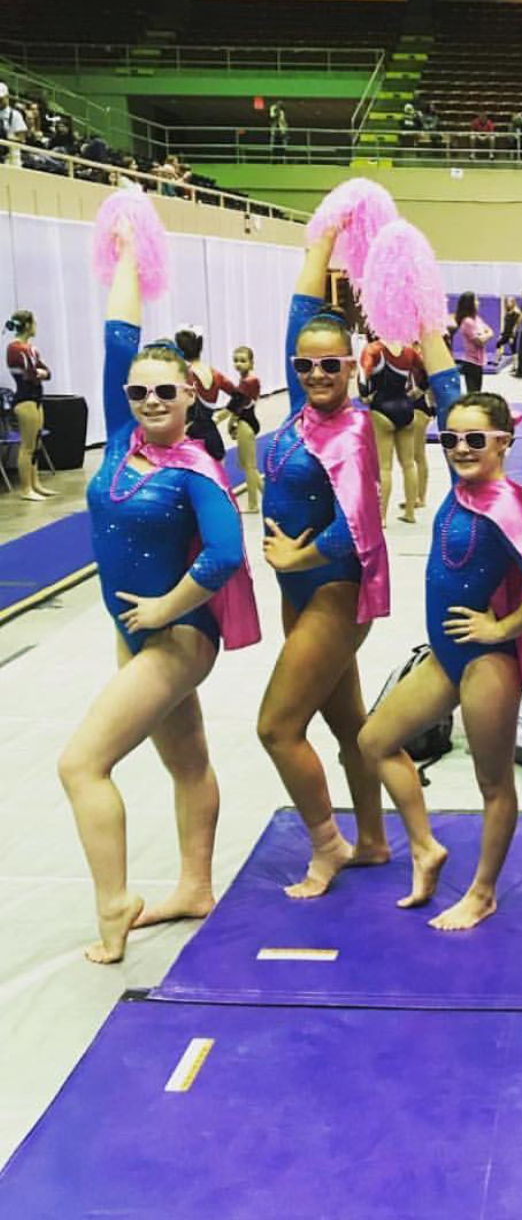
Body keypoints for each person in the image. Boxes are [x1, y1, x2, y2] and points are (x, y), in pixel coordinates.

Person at [58, 221, 256, 963]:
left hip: (177, 637)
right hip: (135, 629)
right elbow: (118, 337)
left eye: (162, 390)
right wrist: (131, 252)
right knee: (186, 760)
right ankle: (195, 887)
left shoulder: (196, 467)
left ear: (190, 393)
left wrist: (166, 608)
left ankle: (114, 906)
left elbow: (229, 555)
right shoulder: (120, 441)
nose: (146, 399)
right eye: (137, 390)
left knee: (81, 763)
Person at [358, 320, 522, 929]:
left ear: (504, 442)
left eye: (475, 440)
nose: (460, 449)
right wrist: (422, 320)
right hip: (445, 655)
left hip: (487, 664)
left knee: (493, 786)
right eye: (451, 440)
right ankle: (425, 846)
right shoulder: (462, 488)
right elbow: (442, 381)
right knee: (374, 743)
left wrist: (500, 631)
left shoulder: (506, 506)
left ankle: (483, 891)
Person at [255, 225, 392, 898]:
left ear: (352, 365)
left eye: (329, 365)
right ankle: (373, 837)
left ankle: (327, 844)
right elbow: (300, 322)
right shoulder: (306, 409)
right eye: (304, 365)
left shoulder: (352, 430)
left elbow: (359, 528)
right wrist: (322, 242)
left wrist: (299, 551)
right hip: (300, 593)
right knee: (346, 724)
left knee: (277, 728)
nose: (314, 374)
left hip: (334, 589)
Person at [359, 336, 429, 525]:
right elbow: (426, 372)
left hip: (382, 408)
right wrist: (419, 391)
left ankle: (381, 517)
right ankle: (409, 512)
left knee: (384, 466)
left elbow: (362, 376)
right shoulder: (408, 350)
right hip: (406, 408)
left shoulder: (373, 349)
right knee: (408, 464)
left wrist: (364, 396)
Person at [5, 309, 53, 500]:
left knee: (36, 444)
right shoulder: (14, 349)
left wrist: (42, 373)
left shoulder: (31, 349)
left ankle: (36, 484)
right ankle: (26, 489)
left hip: (36, 398)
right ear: (26, 325)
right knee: (27, 446)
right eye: (33, 323)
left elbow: (47, 372)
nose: (35, 327)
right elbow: (30, 374)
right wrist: (39, 373)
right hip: (24, 399)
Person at [175, 326, 234, 462]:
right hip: (212, 437)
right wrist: (220, 416)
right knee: (219, 480)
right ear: (201, 347)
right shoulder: (215, 374)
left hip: (189, 438)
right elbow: (240, 397)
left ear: (178, 350)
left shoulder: (183, 376)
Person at [223, 344, 262, 514]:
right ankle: (266, 494)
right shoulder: (244, 381)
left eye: (243, 361)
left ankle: (253, 505)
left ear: (251, 363)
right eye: (236, 361)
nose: (238, 364)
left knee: (250, 467)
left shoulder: (249, 381)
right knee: (247, 465)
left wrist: (225, 420)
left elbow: (236, 404)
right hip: (245, 421)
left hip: (246, 423)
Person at [455, 291, 494, 394]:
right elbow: (480, 342)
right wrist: (485, 335)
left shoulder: (476, 319)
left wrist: (485, 335)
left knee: (477, 392)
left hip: (479, 362)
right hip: (471, 362)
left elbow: (490, 330)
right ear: (470, 303)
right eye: (476, 300)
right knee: (473, 393)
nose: (478, 302)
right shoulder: (468, 322)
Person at [498, 296, 521, 363]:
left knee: (513, 349)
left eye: (510, 302)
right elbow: (506, 325)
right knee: (499, 343)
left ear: (513, 302)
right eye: (507, 302)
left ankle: (515, 366)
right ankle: (498, 359)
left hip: (512, 333)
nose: (508, 303)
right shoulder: (508, 311)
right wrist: (502, 334)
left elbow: (515, 326)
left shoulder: (516, 312)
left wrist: (512, 336)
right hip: (506, 333)